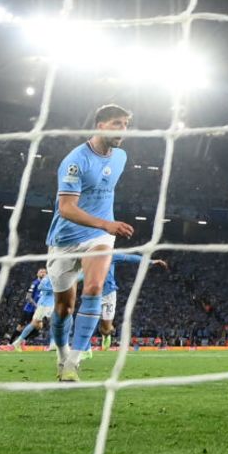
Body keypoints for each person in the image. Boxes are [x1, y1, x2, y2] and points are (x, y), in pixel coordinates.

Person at [45, 104, 135, 382]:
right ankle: (62, 355)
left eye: (126, 125)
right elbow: (67, 208)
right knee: (63, 307)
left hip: (99, 237)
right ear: (100, 125)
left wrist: (105, 227)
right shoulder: (76, 160)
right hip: (65, 239)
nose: (123, 130)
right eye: (117, 124)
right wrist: (105, 223)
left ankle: (74, 360)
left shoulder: (120, 157)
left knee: (95, 287)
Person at [76, 250, 168, 352]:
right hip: (92, 294)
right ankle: (85, 350)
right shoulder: (86, 257)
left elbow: (130, 258)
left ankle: (107, 335)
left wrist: (151, 261)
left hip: (108, 295)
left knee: (105, 329)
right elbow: (80, 273)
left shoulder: (110, 255)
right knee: (86, 323)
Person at [12, 269, 53, 350]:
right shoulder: (40, 281)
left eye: (45, 272)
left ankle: (19, 341)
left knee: (39, 326)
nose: (43, 273)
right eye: (41, 272)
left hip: (44, 305)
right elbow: (35, 291)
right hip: (38, 306)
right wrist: (52, 289)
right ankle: (13, 342)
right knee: (22, 326)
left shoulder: (50, 278)